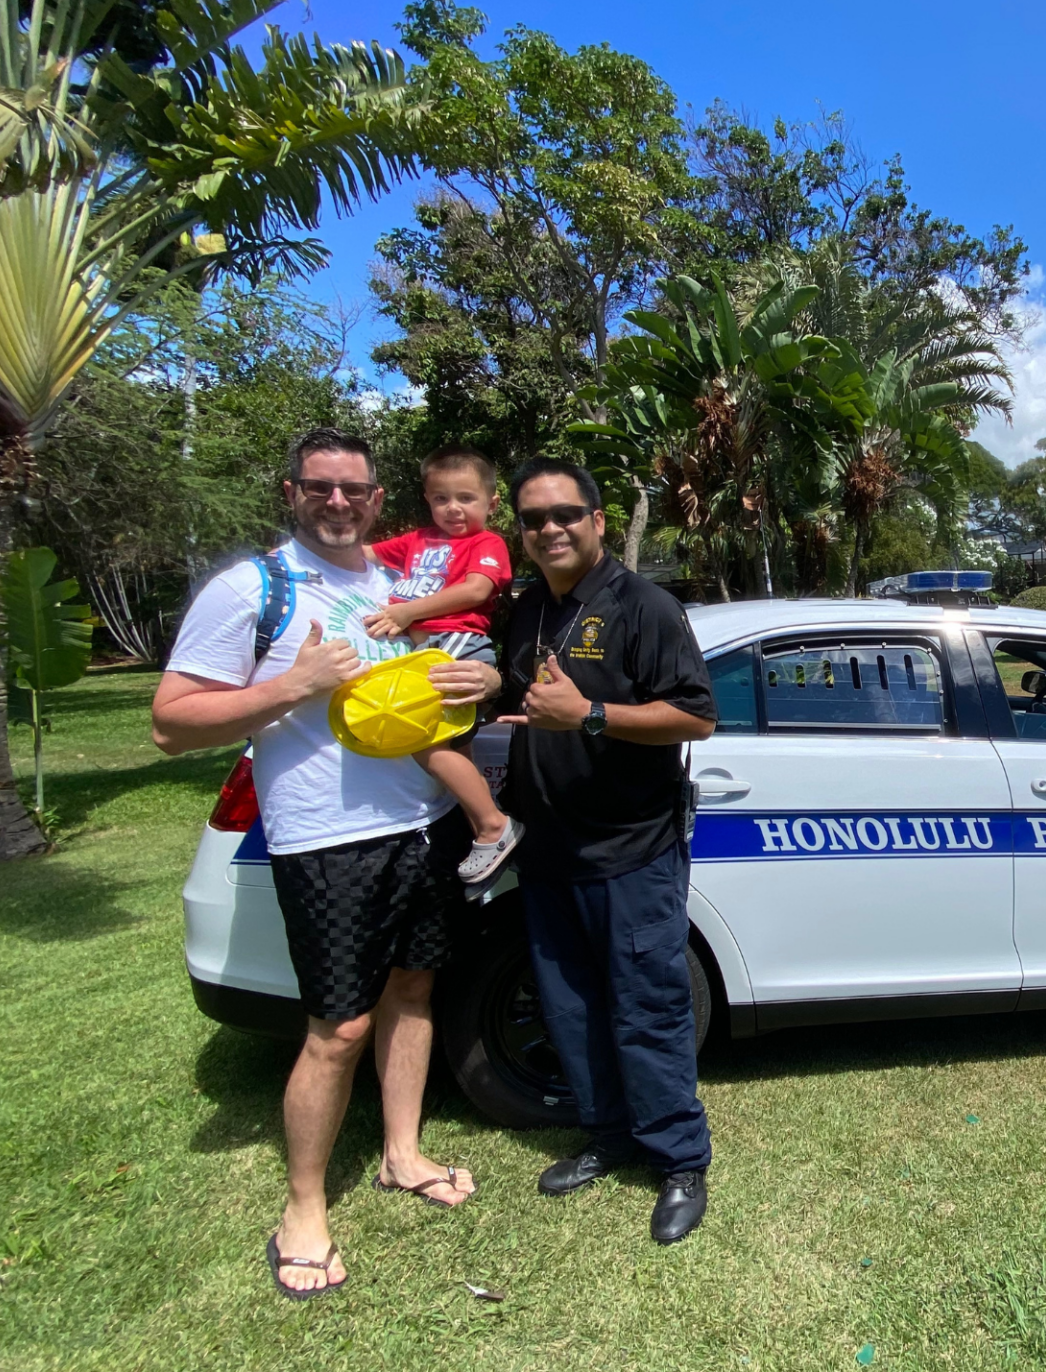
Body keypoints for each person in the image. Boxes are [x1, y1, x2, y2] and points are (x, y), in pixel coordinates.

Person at [152, 428, 500, 1298]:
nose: (337, 502)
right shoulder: (253, 588)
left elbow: (429, 681)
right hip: (324, 839)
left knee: (413, 992)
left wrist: (474, 686)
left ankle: (402, 1153)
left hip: (420, 826)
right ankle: (303, 1209)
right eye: (320, 487)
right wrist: (292, 688)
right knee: (337, 1028)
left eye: (354, 489)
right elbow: (170, 721)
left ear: (380, 499)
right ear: (292, 490)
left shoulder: (395, 585)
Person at [483, 456, 718, 1244]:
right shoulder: (528, 612)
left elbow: (694, 717)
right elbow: (523, 700)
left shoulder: (642, 605)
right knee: (573, 1010)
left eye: (564, 514)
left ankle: (679, 1160)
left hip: (632, 850)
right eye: (533, 518)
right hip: (549, 851)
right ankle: (609, 1137)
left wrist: (588, 715)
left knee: (647, 1009)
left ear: (597, 521)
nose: (549, 528)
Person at [364, 444, 523, 883]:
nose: (453, 508)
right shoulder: (416, 541)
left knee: (419, 737)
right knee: (457, 747)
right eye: (440, 498)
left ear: (490, 503)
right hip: (429, 647)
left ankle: (495, 824)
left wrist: (406, 613)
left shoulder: (486, 542)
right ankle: (482, 833)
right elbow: (363, 555)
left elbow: (475, 590)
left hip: (454, 643)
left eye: (465, 498)